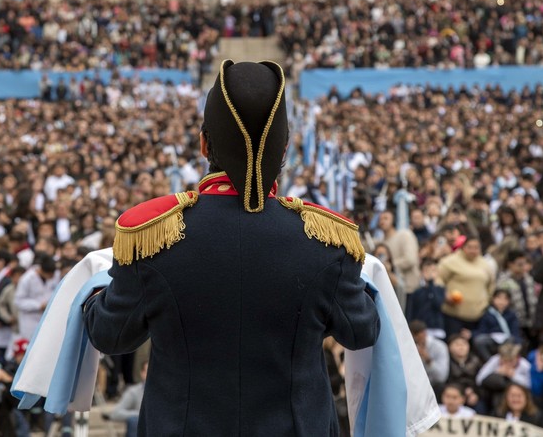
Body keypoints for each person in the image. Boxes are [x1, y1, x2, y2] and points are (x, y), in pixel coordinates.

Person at [83, 61, 380, 435]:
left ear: (204, 143)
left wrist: (92, 292)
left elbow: (111, 334)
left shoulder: (152, 238)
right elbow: (362, 330)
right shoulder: (324, 242)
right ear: (285, 148)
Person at [437, 236, 495, 337]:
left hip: (479, 315)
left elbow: (491, 285)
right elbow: (438, 279)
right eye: (470, 247)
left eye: (476, 247)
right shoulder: (450, 261)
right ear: (463, 247)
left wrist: (487, 302)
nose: (473, 250)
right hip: (454, 315)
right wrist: (445, 295)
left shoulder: (485, 264)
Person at [475, 342, 531, 414]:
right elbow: (479, 379)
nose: (508, 364)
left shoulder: (524, 365)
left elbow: (530, 384)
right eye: (505, 361)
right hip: (494, 392)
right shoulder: (494, 360)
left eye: (511, 361)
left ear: (517, 358)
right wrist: (496, 372)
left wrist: (514, 376)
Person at [14, 257, 59, 343]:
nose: (52, 277)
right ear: (42, 270)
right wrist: (38, 305)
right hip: (30, 320)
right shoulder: (27, 279)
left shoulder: (54, 276)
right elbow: (18, 301)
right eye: (50, 274)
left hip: (47, 317)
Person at [378, 210, 420, 294]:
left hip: (410, 289)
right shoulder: (381, 242)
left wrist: (390, 266)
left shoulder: (404, 235)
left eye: (386, 218)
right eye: (380, 219)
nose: (382, 221)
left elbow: (410, 259)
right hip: (393, 291)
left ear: (393, 220)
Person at [473, 288, 522, 360]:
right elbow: (482, 330)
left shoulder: (512, 315)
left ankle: (505, 360)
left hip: (507, 338)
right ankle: (490, 361)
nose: (501, 302)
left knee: (512, 341)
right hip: (491, 338)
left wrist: (517, 342)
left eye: (505, 299)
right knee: (479, 340)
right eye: (499, 298)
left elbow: (515, 332)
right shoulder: (487, 313)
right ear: (493, 299)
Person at [406, 258, 446, 339]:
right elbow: (410, 311)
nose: (430, 273)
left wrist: (431, 283)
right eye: (427, 271)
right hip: (419, 330)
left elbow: (437, 304)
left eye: (433, 270)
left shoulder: (440, 289)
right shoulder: (417, 291)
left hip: (436, 329)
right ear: (421, 273)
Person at [104, 361, 147, 437]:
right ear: (142, 373)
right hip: (141, 428)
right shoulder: (134, 392)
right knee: (134, 421)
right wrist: (140, 415)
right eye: (147, 371)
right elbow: (116, 413)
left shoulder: (165, 392)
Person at [410, 320, 449, 393]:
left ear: (424, 333)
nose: (415, 339)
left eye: (417, 336)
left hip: (434, 385)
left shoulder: (440, 346)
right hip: (414, 384)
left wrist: (428, 360)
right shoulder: (408, 346)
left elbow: (441, 377)